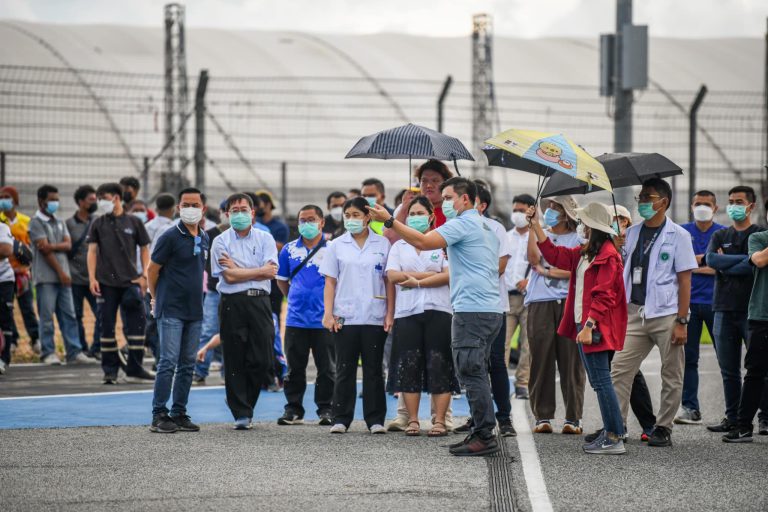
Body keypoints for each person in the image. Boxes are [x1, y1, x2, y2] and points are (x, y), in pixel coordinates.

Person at [368, 177, 503, 457]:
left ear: (466, 199)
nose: (445, 203)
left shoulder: (463, 223)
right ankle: (481, 429)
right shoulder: (485, 226)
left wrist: (390, 220)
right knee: (475, 371)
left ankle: (484, 435)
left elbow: (423, 240)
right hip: (488, 308)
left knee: (471, 371)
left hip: (472, 310)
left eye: (450, 197)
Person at [529, 202, 628, 454]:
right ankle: (612, 430)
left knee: (601, 381)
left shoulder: (607, 254)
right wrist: (536, 227)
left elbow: (604, 295)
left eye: (584, 222)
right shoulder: (586, 253)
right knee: (599, 381)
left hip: (593, 326)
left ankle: (615, 436)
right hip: (584, 323)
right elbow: (555, 255)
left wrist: (589, 324)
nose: (580, 226)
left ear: (593, 226)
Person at [610, 178, 697, 448]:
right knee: (619, 370)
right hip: (635, 313)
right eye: (641, 198)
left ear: (664, 202)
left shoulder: (679, 235)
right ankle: (616, 426)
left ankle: (663, 427)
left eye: (648, 197)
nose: (643, 202)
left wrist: (682, 321)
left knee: (671, 373)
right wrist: (616, 244)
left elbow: (685, 281)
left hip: (667, 314)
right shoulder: (632, 233)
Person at [384, 160, 456, 433]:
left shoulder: (448, 219)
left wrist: (415, 280)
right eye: (425, 179)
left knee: (440, 364)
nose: (429, 185)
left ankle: (441, 419)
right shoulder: (401, 236)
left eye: (435, 180)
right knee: (408, 364)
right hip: (408, 312)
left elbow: (450, 272)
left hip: (440, 309)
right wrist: (403, 208)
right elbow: (393, 274)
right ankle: (409, 418)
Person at [320, 196, 393, 434]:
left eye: (356, 215)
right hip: (345, 316)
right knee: (344, 368)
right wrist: (328, 314)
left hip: (375, 315)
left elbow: (388, 282)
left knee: (374, 370)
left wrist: (390, 313)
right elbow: (330, 282)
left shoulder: (383, 244)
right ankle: (341, 418)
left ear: (368, 216)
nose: (351, 220)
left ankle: (375, 420)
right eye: (347, 215)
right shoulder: (336, 245)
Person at [210, 193, 278, 430]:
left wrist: (239, 269)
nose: (239, 214)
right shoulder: (220, 241)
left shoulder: (264, 237)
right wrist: (255, 271)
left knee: (262, 358)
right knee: (234, 356)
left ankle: (247, 402)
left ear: (252, 212)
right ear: (227, 214)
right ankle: (241, 411)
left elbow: (271, 272)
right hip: (232, 303)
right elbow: (227, 276)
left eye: (243, 209)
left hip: (259, 302)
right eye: (234, 210)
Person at [452, 182, 515, 437]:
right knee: (471, 366)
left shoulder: (495, 228)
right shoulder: (462, 228)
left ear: (481, 204)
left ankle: (505, 418)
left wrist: (468, 259)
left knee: (495, 363)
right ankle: (477, 418)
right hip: (468, 305)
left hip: (492, 306)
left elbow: (498, 266)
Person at [704, 185, 768, 433]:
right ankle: (732, 418)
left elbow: (751, 266)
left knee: (758, 369)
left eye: (739, 201)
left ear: (751, 206)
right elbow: (711, 260)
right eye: (731, 201)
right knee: (728, 370)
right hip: (723, 307)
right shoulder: (720, 235)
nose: (734, 205)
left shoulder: (760, 234)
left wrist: (727, 264)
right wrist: (745, 261)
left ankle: (763, 418)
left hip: (753, 310)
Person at [147, 188, 209, 434]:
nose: (190, 208)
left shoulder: (204, 237)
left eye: (195, 204)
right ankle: (159, 413)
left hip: (195, 309)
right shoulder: (170, 236)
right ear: (178, 208)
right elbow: (152, 270)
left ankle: (179, 412)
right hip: (171, 308)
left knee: (187, 364)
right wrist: (155, 298)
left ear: (203, 209)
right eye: (186, 204)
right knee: (168, 361)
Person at [525, 195, 586, 434]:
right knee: (541, 358)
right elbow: (533, 259)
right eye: (548, 207)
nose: (550, 211)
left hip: (570, 302)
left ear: (567, 213)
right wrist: (534, 226)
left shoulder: (578, 238)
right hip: (540, 301)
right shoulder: (541, 233)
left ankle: (573, 417)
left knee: (571, 360)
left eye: (556, 207)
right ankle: (543, 416)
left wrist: (548, 271)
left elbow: (575, 270)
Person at [88, 182, 153, 384]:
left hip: (131, 282)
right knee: (106, 327)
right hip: (106, 284)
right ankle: (110, 371)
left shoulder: (134, 222)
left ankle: (135, 368)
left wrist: (144, 277)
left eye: (104, 198)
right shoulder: (98, 223)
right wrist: (92, 278)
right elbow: (92, 251)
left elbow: (144, 250)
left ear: (116, 198)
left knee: (137, 325)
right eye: (99, 199)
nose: (101, 202)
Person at [276, 205, 335, 426]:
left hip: (324, 319)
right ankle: (293, 409)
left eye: (311, 220)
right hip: (295, 319)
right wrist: (293, 296)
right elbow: (281, 279)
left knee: (327, 369)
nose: (306, 224)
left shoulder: (332, 248)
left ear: (321, 222)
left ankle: (326, 408)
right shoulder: (289, 249)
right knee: (294, 368)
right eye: (302, 220)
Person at [29, 185, 96, 365]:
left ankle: (74, 351)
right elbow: (44, 250)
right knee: (47, 317)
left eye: (56, 199)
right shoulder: (36, 222)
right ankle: (48, 352)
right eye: (51, 199)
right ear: (41, 201)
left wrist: (52, 245)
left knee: (69, 316)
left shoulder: (59, 221)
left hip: (65, 278)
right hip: (47, 278)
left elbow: (67, 245)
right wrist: (60, 271)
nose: (55, 203)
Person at [608, 203, 658, 442]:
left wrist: (620, 252)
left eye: (622, 219)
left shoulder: (635, 242)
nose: (618, 223)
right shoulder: (603, 244)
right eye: (613, 219)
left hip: (626, 314)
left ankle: (648, 424)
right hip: (603, 316)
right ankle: (615, 424)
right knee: (612, 372)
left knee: (629, 370)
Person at [674, 191, 724, 425]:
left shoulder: (723, 233)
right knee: (689, 358)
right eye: (698, 204)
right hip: (689, 304)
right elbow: (676, 265)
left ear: (715, 208)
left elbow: (722, 267)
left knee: (727, 360)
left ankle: (733, 412)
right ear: (691, 206)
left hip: (718, 303)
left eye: (706, 204)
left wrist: (692, 264)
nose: (701, 207)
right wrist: (709, 260)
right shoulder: (682, 232)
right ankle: (690, 408)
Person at [723, 206, 768, 442]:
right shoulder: (758, 238)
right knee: (755, 372)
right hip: (762, 315)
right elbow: (759, 260)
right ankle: (743, 426)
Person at [0, 186, 39, 355]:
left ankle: (35, 338)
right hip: (5, 270)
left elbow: (31, 247)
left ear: (15, 200)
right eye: (1, 196)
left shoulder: (25, 221)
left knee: (27, 306)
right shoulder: (1, 220)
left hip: (22, 271)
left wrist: (28, 263)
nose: (3, 200)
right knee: (7, 308)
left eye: (7, 196)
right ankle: (12, 339)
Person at [256, 190, 289, 390]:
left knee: (272, 328)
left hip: (272, 283)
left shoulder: (277, 227)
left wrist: (263, 240)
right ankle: (266, 374)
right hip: (256, 283)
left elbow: (279, 248)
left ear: (268, 204)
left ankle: (276, 371)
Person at [192, 212, 228, 385]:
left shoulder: (244, 234)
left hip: (234, 291)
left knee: (231, 332)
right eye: (228, 211)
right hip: (214, 290)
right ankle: (200, 370)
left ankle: (228, 373)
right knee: (208, 329)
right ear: (223, 213)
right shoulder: (209, 234)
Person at [505, 193, 535, 399]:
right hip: (507, 296)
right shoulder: (506, 237)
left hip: (529, 297)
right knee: (502, 343)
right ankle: (499, 381)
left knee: (528, 343)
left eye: (522, 210)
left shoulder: (537, 237)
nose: (517, 214)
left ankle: (522, 382)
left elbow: (541, 263)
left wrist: (529, 281)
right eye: (515, 210)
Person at [66, 185, 101, 359]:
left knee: (101, 313)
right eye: (91, 200)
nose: (95, 202)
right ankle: (81, 349)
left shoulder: (99, 222)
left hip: (95, 279)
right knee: (76, 316)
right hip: (75, 279)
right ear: (81, 202)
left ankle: (96, 348)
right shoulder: (69, 224)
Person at [0, 220, 14, 374]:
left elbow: (5, 250)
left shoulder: (2, 227)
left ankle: (3, 358)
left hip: (3, 279)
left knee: (5, 318)